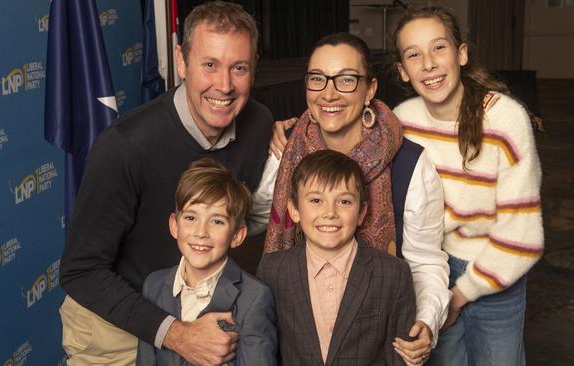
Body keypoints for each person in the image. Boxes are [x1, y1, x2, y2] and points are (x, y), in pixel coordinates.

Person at [59, 2, 276, 365]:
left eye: (239, 68)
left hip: (198, 311)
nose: (224, 85)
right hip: (117, 324)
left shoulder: (258, 124)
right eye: (209, 65)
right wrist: (176, 334)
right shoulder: (124, 147)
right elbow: (81, 271)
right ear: (181, 60)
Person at [267, 32, 449, 365]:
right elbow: (253, 214)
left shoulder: (410, 164)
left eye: (347, 79)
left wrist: (426, 320)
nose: (329, 94)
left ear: (370, 89)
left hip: (374, 333)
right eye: (317, 79)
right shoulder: (285, 149)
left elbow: (425, 261)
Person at [392, 5, 544, 366]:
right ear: (402, 71)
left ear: (461, 54)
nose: (428, 63)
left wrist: (458, 296)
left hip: (495, 274)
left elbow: (522, 236)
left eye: (439, 48)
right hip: (430, 270)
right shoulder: (402, 122)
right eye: (414, 55)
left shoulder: (505, 119)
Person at [258, 149, 416, 365]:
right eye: (316, 200)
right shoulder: (273, 270)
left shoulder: (393, 274)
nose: (330, 212)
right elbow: (264, 350)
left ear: (361, 213)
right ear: (294, 210)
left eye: (344, 202)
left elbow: (401, 358)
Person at [136, 158, 277, 366]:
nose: (201, 232)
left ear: (237, 235)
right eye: (191, 218)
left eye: (217, 221)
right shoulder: (153, 285)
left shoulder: (254, 298)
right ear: (174, 225)